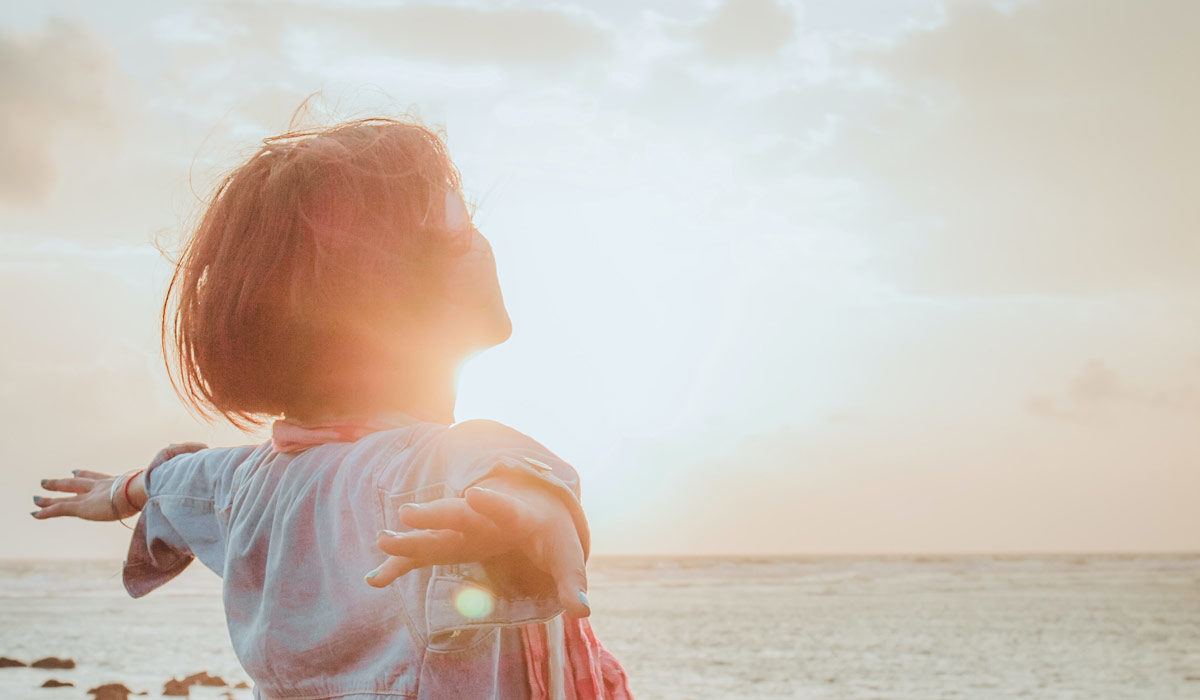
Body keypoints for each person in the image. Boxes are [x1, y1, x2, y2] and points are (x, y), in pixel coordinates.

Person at [32, 118, 632, 699]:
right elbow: (495, 465)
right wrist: (528, 509)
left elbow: (176, 483)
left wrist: (123, 490)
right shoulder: (426, 469)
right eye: (459, 227)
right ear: (384, 290)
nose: (481, 241)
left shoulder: (244, 483)